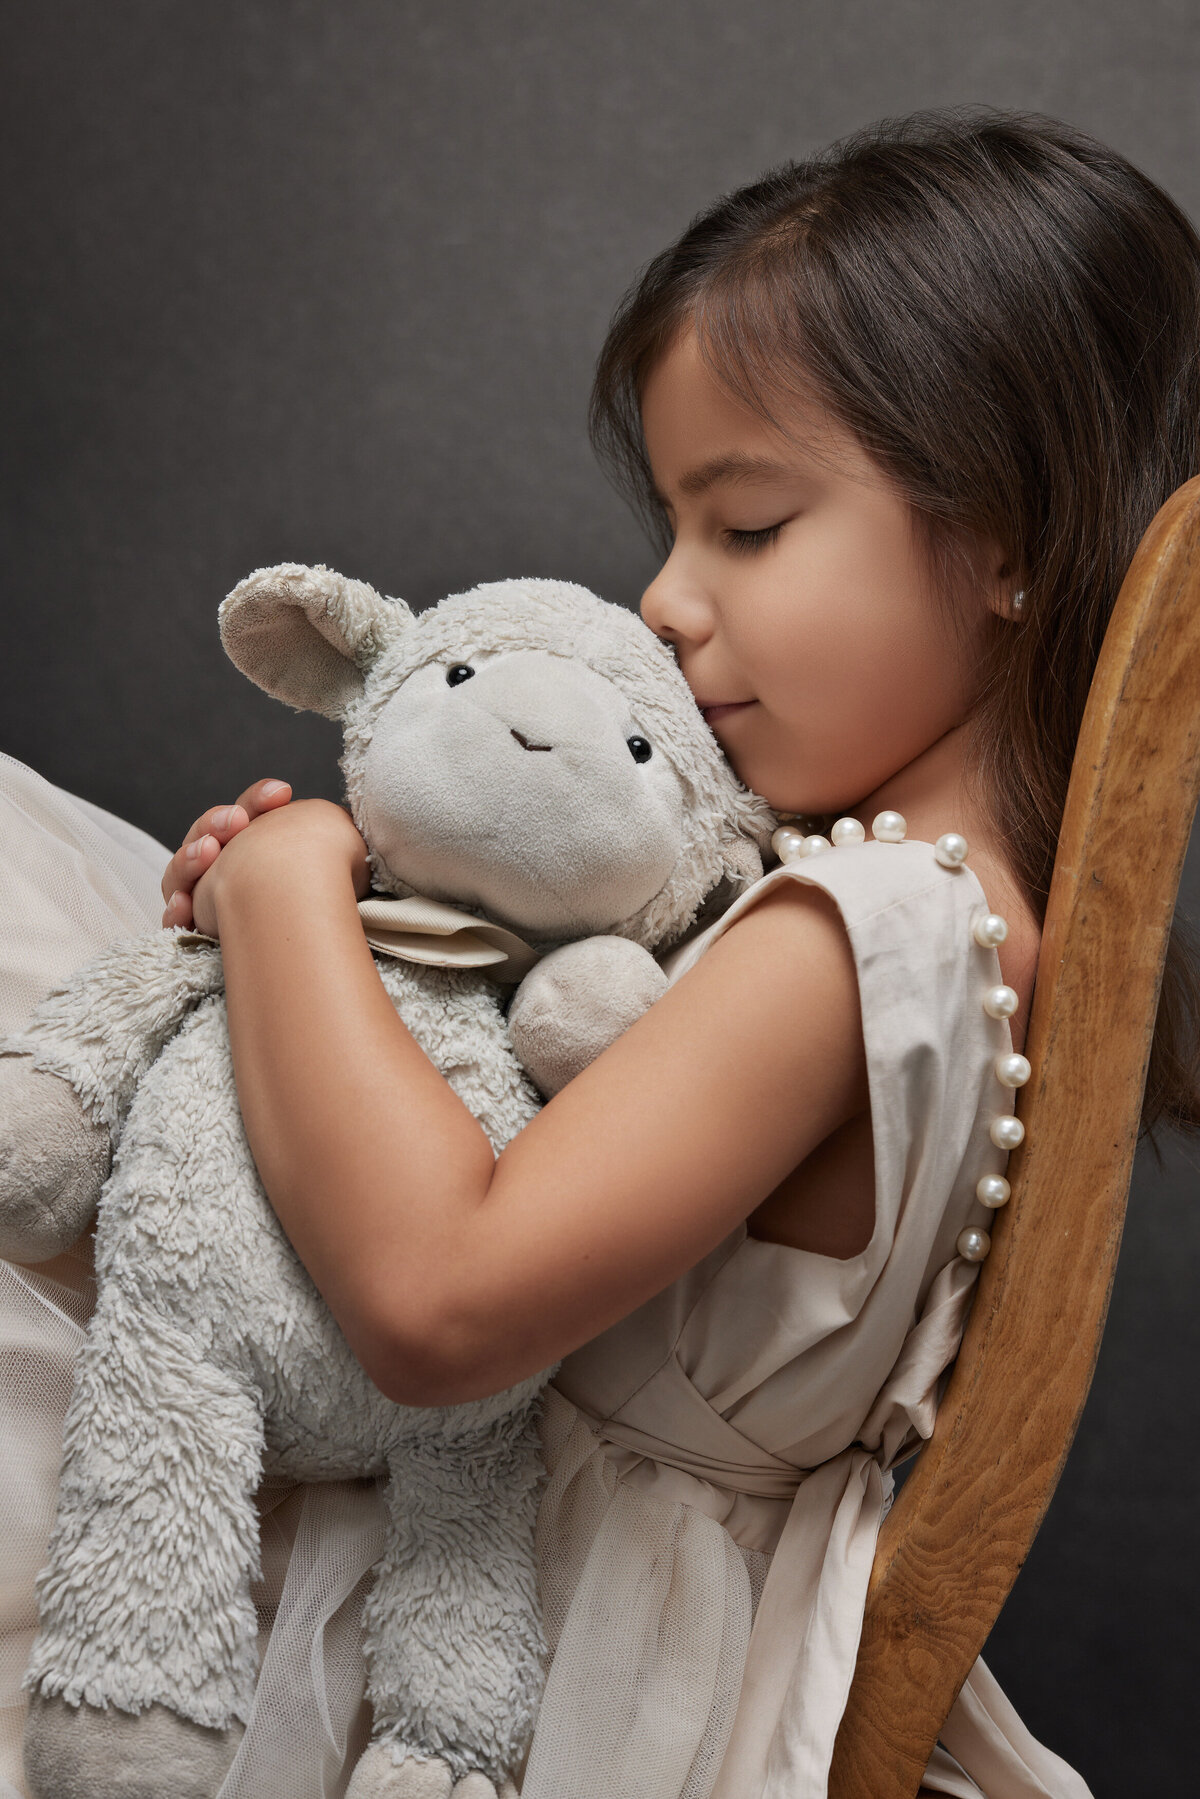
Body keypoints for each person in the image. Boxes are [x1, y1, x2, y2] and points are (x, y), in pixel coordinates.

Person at [3, 108, 1199, 1798]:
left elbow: (440, 1304)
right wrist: (355, 942)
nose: (661, 602)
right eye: (672, 527)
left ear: (1006, 538)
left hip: (534, 1641)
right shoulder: (933, 912)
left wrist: (285, 904)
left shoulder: (855, 940)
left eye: (751, 526)